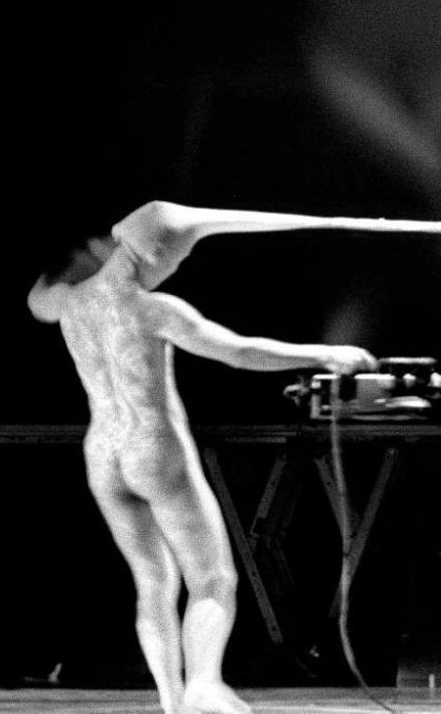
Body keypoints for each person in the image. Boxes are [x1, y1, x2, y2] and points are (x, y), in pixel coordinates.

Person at [27, 203, 378, 714]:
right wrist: (325, 353)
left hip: (103, 453)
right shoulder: (152, 307)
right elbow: (239, 351)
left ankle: (172, 702)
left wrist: (97, 249)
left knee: (153, 582)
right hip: (152, 447)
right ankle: (203, 683)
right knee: (212, 579)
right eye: (175, 258)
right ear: (154, 255)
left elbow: (37, 299)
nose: (174, 267)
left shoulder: (69, 300)